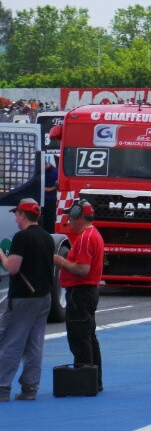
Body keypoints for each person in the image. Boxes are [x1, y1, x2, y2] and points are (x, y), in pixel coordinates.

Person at [0, 199, 54, 401]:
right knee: (34, 343)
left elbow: (12, 268)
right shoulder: (47, 237)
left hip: (23, 297)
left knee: (11, 342)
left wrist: (1, 255)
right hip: (44, 296)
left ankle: (2, 387)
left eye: (16, 214)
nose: (15, 218)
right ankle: (30, 387)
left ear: (23, 215)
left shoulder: (21, 237)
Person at [53, 199, 104, 392]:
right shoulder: (93, 234)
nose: (69, 220)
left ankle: (84, 382)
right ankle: (95, 381)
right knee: (89, 336)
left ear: (78, 215)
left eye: (70, 216)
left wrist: (61, 261)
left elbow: (83, 269)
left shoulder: (85, 238)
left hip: (80, 293)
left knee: (79, 338)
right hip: (87, 292)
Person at [42, 155, 58, 233]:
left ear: (46, 164)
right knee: (44, 219)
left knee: (50, 218)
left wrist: (49, 189)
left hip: (51, 199)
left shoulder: (55, 172)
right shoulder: (44, 171)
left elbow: (58, 185)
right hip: (43, 199)